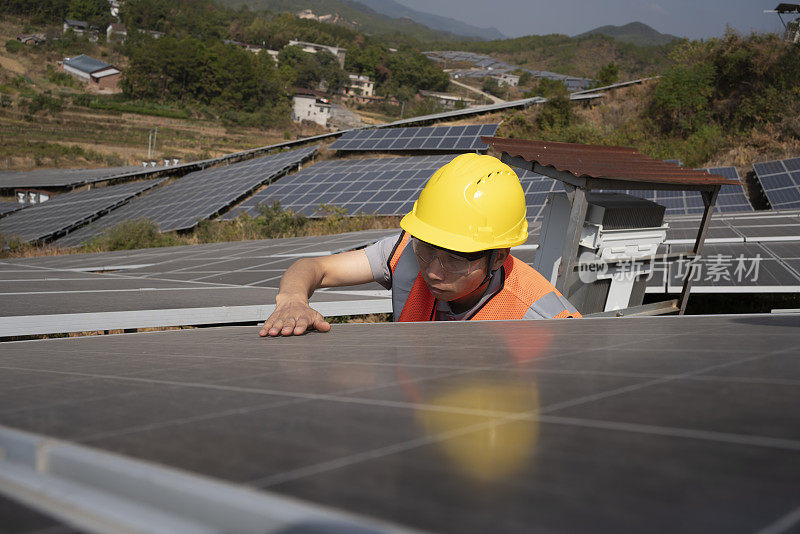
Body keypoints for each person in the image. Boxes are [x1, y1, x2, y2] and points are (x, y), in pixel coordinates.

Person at [259, 153, 581, 337]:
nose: (434, 272)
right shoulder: (407, 251)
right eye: (427, 250)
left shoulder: (543, 323)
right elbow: (313, 268)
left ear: (497, 258)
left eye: (455, 259)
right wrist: (291, 300)